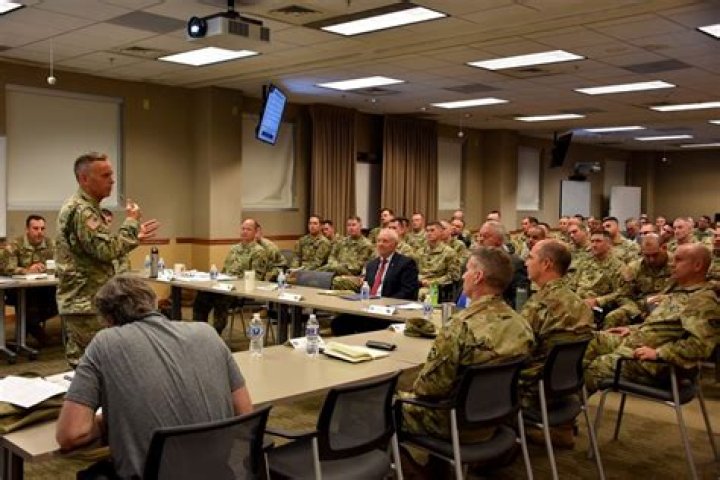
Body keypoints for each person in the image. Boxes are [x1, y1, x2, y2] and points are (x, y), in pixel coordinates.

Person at [56, 275, 252, 479]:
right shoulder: (208, 333)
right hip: (217, 472)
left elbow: (72, 434)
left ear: (108, 320)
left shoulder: (105, 343)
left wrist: (111, 421)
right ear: (155, 303)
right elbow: (245, 411)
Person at [399, 247, 534, 443]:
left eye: (468, 270)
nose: (463, 276)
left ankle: (401, 462)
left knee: (375, 402)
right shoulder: (521, 323)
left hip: (454, 422)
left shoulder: (460, 326)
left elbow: (429, 389)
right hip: (497, 416)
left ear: (478, 277)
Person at [55, 152, 159, 367]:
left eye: (111, 175)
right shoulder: (83, 211)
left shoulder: (85, 207)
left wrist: (134, 236)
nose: (112, 181)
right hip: (85, 302)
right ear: (84, 179)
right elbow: (105, 250)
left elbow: (99, 247)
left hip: (85, 299)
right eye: (105, 175)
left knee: (85, 362)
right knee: (98, 364)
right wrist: (130, 222)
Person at [584, 243, 718, 393]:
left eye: (679, 260)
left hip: (655, 364)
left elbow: (700, 346)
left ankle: (572, 403)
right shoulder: (680, 292)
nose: (672, 264)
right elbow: (659, 326)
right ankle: (568, 394)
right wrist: (631, 329)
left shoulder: (703, 300)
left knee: (597, 367)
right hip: (636, 342)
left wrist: (659, 353)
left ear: (697, 265)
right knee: (589, 340)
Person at [520, 240, 593, 447]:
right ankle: (563, 428)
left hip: (532, 390)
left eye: (531, 257)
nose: (526, 262)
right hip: (565, 387)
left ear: (546, 264)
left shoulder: (540, 305)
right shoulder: (579, 303)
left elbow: (514, 348)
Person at [330, 228, 419, 335]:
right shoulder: (372, 264)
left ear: (395, 245)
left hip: (389, 311)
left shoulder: (406, 263)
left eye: (385, 241)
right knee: (338, 323)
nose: (380, 244)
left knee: (370, 327)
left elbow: (408, 291)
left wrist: (384, 303)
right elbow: (367, 287)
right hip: (369, 308)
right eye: (379, 241)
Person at [193, 218, 269, 335]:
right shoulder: (234, 249)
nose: (244, 232)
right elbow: (225, 271)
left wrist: (234, 283)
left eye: (248, 229)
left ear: (255, 232)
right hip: (225, 285)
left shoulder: (259, 252)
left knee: (220, 299)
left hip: (240, 292)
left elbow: (256, 279)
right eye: (243, 229)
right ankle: (199, 332)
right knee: (202, 295)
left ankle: (216, 334)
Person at [7, 215, 57, 344]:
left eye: (42, 228)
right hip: (19, 289)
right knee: (29, 298)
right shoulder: (15, 245)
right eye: (35, 228)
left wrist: (48, 268)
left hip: (44, 287)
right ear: (27, 229)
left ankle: (28, 327)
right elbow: (8, 268)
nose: (40, 232)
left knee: (59, 296)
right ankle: (36, 331)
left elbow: (61, 264)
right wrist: (27, 270)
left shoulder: (51, 244)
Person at [604, 234, 673, 327]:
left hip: (670, 306)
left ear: (664, 248)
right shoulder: (634, 268)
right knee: (613, 317)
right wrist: (636, 312)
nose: (651, 260)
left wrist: (666, 300)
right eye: (647, 256)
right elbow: (623, 295)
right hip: (641, 307)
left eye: (655, 255)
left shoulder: (677, 265)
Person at [475, 221, 528, 309]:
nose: (480, 239)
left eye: (485, 236)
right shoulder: (474, 260)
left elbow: (518, 300)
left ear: (499, 240)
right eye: (479, 235)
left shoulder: (515, 263)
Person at [319, 216, 374, 291]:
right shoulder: (341, 241)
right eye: (349, 225)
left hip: (354, 276)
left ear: (360, 226)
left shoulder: (366, 245)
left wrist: (339, 266)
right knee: (319, 275)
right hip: (336, 270)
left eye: (353, 225)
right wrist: (335, 265)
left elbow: (357, 267)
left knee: (336, 280)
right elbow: (332, 256)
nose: (351, 228)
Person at [417, 221, 459, 299]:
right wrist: (420, 279)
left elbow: (453, 276)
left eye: (432, 230)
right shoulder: (420, 252)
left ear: (441, 232)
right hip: (420, 283)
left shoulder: (449, 252)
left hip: (438, 287)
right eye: (427, 231)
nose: (429, 233)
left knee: (422, 293)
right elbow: (415, 271)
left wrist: (433, 282)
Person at [100, 208, 131, 273]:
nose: (106, 224)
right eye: (103, 221)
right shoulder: (91, 239)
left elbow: (125, 264)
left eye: (109, 221)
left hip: (115, 277)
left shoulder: (115, 241)